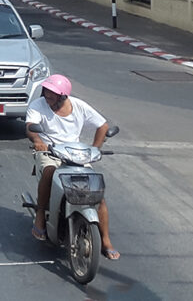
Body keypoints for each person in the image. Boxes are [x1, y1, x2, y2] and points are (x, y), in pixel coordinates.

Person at [25, 75, 118, 260]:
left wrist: (95, 149)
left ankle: (105, 239)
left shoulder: (79, 106)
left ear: (63, 96)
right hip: (49, 152)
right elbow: (30, 126)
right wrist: (38, 141)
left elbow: (103, 126)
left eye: (53, 93)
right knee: (50, 172)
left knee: (97, 194)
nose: (48, 95)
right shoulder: (38, 105)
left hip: (75, 154)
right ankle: (41, 213)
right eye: (46, 91)